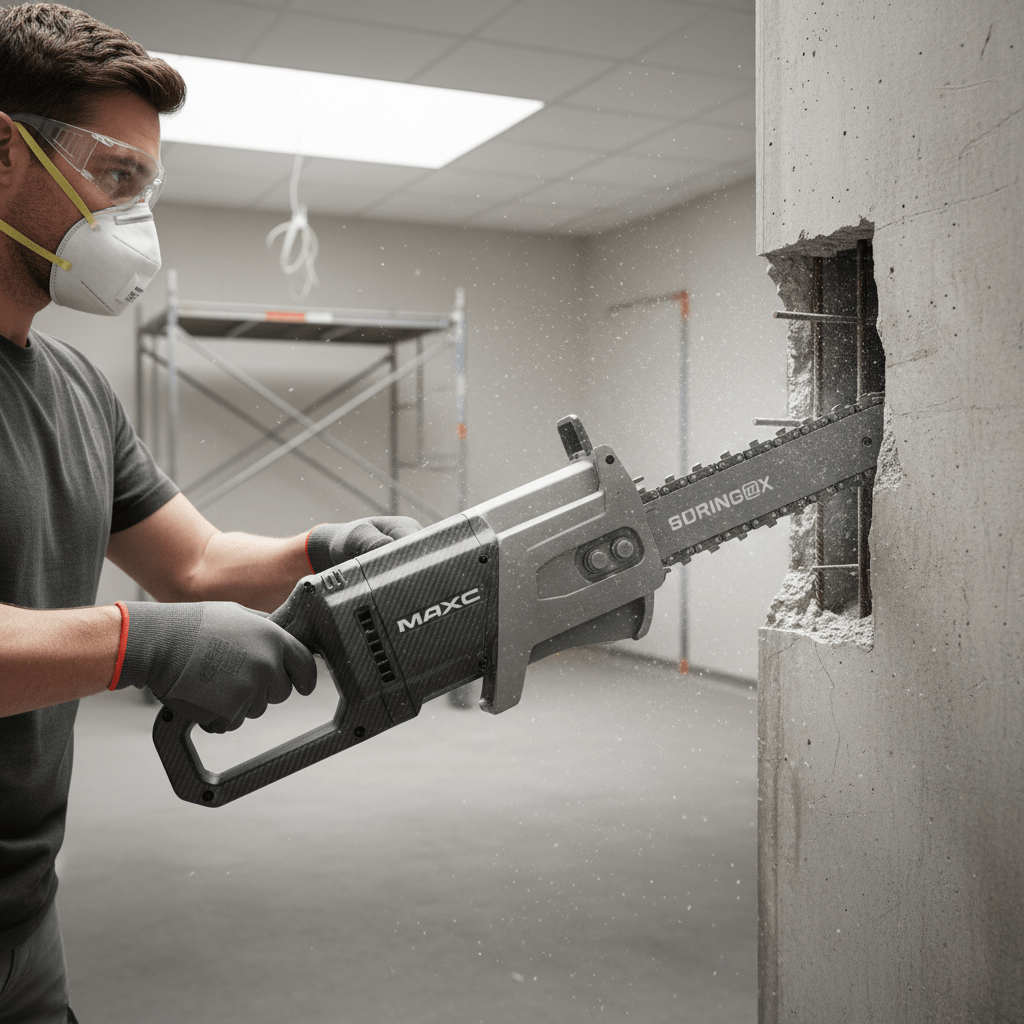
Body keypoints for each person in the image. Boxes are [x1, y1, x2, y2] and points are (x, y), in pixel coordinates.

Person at [0, 6, 419, 1021]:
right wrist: (138, 645)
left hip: (20, 922)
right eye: (117, 177)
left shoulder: (74, 390)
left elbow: (193, 564)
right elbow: (162, 616)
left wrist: (327, 549)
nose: (134, 220)